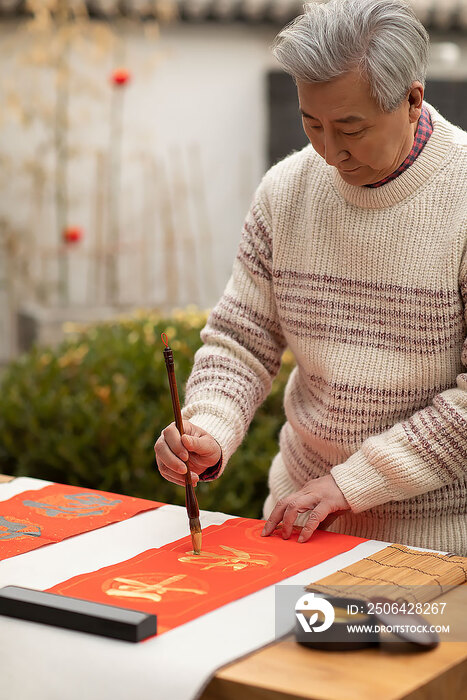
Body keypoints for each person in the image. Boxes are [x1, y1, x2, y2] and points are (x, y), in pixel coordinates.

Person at [155, 0, 467, 555]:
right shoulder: (286, 190)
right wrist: (207, 428)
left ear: (413, 100)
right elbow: (240, 342)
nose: (328, 152)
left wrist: (352, 484)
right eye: (311, 123)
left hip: (434, 545)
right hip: (298, 526)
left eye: (351, 128)